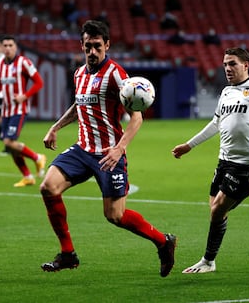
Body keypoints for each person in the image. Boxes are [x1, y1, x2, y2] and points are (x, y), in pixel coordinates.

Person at [39, 20, 176, 277]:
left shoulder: (116, 74)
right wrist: (55, 127)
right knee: (48, 186)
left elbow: (136, 117)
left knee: (115, 215)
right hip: (82, 150)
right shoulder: (79, 73)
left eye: (97, 46)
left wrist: (119, 149)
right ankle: (68, 254)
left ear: (107, 45)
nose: (92, 51)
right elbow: (79, 106)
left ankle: (163, 241)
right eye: (88, 46)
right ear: (82, 45)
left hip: (108, 154)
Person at [172, 47, 249, 273]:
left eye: (232, 64)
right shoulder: (226, 92)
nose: (227, 68)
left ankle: (208, 261)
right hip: (224, 159)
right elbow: (216, 124)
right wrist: (189, 145)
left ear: (246, 65)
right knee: (215, 211)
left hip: (247, 161)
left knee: (218, 210)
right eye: (225, 64)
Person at [0, 35, 47, 187]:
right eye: (5, 45)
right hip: (5, 110)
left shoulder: (24, 62)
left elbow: (39, 82)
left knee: (8, 142)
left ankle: (37, 157)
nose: (7, 48)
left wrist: (25, 96)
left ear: (15, 47)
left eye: (10, 45)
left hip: (19, 109)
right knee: (11, 145)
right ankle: (28, 176)